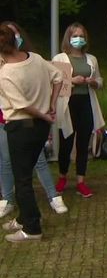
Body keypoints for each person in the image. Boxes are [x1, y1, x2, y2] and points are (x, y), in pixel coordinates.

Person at [0, 23, 63, 242]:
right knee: (26, 171)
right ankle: (24, 217)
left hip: (22, 127)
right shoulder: (35, 58)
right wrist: (52, 104)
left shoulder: (6, 73)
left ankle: (32, 228)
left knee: (22, 179)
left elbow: (22, 104)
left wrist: (45, 114)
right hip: (40, 127)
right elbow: (58, 77)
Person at [52, 23, 105, 198]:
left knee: (83, 143)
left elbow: (99, 80)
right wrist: (72, 81)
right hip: (68, 103)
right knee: (66, 141)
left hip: (86, 103)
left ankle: (81, 181)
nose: (78, 39)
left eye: (81, 36)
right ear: (68, 38)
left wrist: (92, 82)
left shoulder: (91, 59)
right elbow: (54, 82)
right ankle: (62, 176)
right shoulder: (60, 58)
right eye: (75, 36)